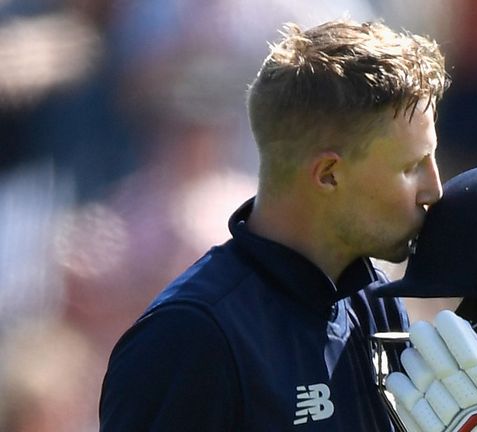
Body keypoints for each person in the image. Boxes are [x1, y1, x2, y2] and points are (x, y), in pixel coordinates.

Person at [99, 19, 447, 431]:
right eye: (411, 168)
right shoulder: (190, 337)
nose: (435, 189)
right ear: (329, 174)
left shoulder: (374, 301)